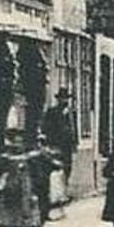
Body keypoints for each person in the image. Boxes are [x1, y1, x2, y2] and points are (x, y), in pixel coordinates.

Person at [39, 88, 79, 216]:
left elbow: (74, 129)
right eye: (63, 98)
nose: (65, 100)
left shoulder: (71, 113)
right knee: (56, 172)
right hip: (56, 146)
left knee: (67, 170)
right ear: (58, 99)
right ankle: (55, 200)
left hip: (67, 147)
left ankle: (63, 195)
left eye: (67, 98)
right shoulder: (52, 112)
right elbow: (46, 127)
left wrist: (75, 142)